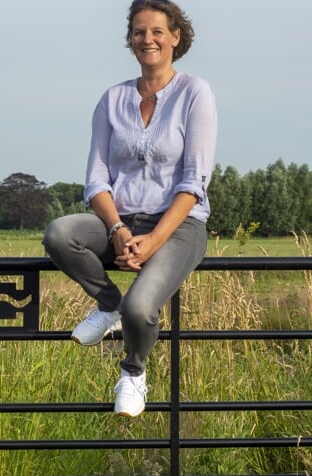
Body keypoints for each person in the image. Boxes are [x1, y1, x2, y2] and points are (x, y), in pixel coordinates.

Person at [42, 0, 217, 418]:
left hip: (178, 227)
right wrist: (119, 231)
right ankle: (107, 305)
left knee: (142, 307)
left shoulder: (195, 93)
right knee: (59, 234)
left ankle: (133, 374)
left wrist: (153, 240)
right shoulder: (113, 98)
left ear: (176, 37)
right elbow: (97, 180)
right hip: (119, 221)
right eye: (139, 32)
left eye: (157, 31)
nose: (147, 39)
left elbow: (194, 182)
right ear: (130, 41)